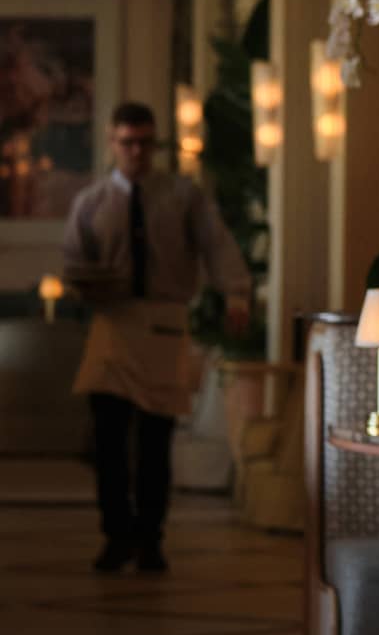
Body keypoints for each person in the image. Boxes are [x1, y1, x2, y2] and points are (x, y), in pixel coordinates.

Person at [63, 101, 250, 573]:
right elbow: (72, 264)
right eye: (127, 142)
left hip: (165, 326)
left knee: (154, 442)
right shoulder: (90, 204)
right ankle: (115, 535)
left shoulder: (182, 196)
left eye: (145, 142)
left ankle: (150, 538)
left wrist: (237, 294)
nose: (137, 152)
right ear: (112, 142)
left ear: (155, 144)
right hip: (112, 327)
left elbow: (217, 242)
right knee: (108, 443)